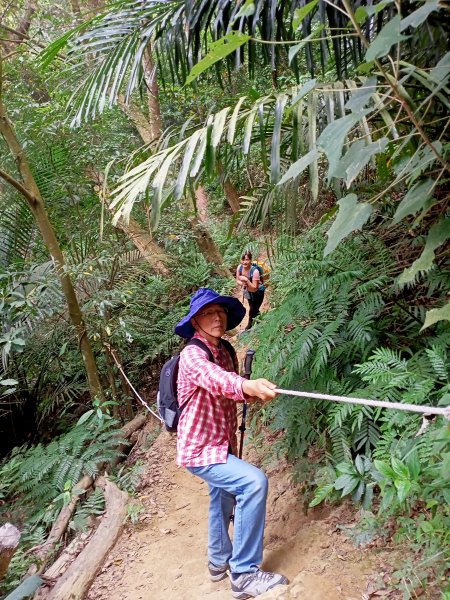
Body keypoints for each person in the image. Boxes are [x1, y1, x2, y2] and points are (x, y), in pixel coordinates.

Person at [174, 288, 288, 599]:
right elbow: (216, 379)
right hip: (199, 449)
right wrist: (245, 384)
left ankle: (217, 561)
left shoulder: (224, 350)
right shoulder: (192, 355)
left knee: (222, 497)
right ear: (196, 320)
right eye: (209, 313)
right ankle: (244, 574)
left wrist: (249, 392)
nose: (217, 317)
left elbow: (227, 392)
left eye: (221, 312)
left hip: (220, 443)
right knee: (253, 483)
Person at [236, 251, 265, 330]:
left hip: (258, 293)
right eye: (243, 259)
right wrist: (242, 283)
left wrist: (246, 280)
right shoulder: (240, 268)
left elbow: (254, 287)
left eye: (247, 259)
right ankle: (260, 323)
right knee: (255, 309)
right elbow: (237, 280)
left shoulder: (255, 271)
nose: (244, 262)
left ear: (251, 260)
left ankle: (248, 328)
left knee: (252, 310)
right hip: (248, 292)